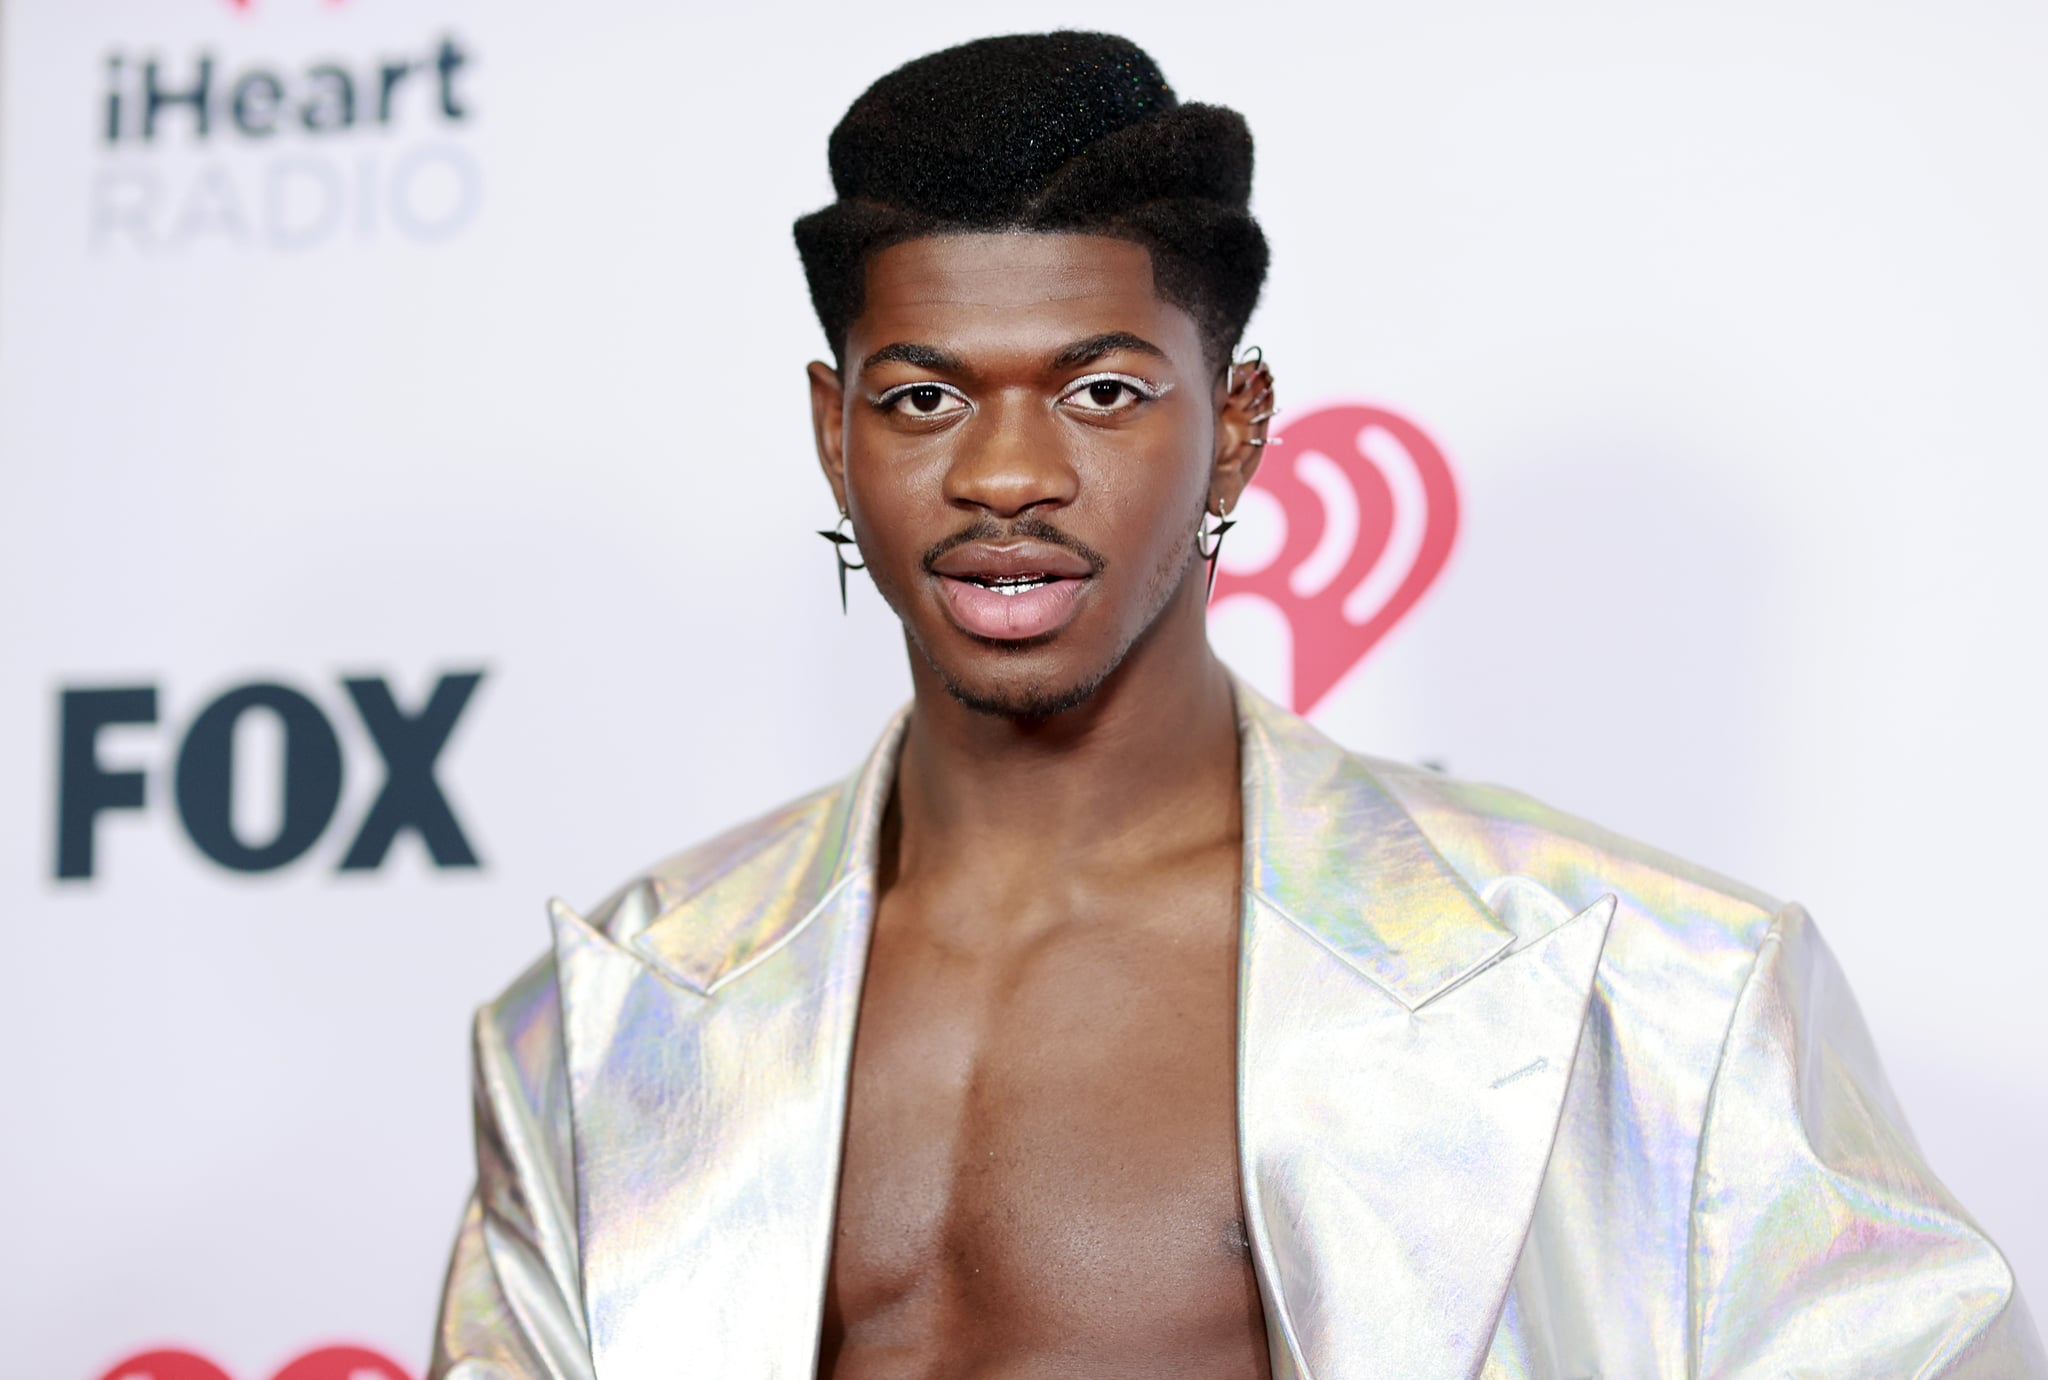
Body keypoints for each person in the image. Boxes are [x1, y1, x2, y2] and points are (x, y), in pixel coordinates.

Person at [429, 31, 2042, 1380]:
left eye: (1104, 391)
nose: (1005, 473)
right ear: (835, 434)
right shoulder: (605, 1027)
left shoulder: (1649, 991)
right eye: (923, 398)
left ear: (1239, 425)